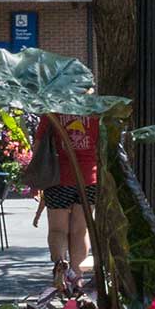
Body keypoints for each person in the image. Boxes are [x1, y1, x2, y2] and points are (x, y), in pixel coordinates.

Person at [33, 112, 100, 289]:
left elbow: (38, 145)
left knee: (57, 228)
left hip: (58, 177)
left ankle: (60, 266)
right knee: (80, 229)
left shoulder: (52, 113)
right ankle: (77, 276)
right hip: (88, 177)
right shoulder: (95, 111)